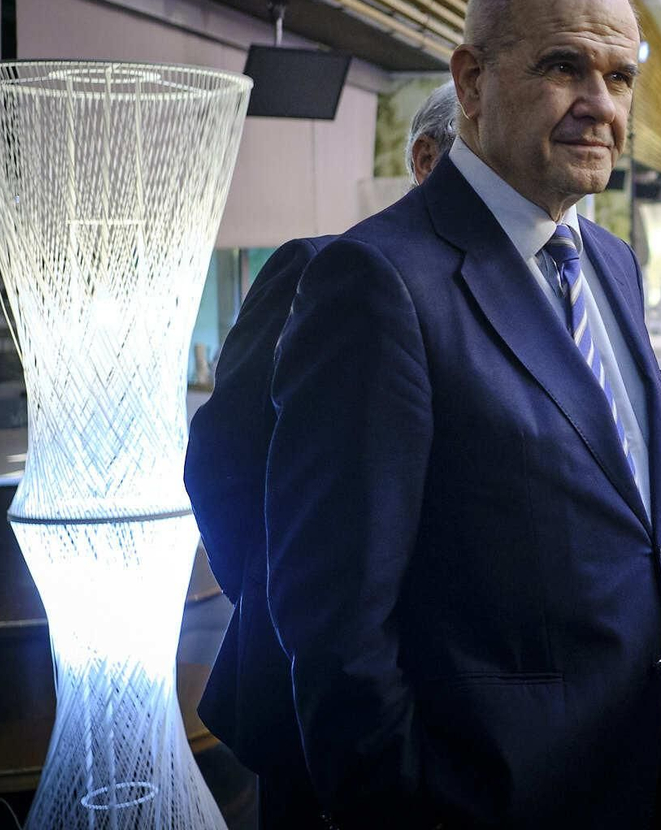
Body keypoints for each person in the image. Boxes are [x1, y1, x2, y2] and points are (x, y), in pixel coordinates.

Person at [264, 0, 661, 828]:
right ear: (471, 81)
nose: (601, 104)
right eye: (565, 67)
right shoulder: (377, 282)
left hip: (647, 761)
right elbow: (336, 625)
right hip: (494, 790)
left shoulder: (610, 261)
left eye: (621, 77)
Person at [185, 83, 457, 826]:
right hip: (317, 687)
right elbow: (221, 462)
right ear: (426, 161)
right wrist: (281, 595)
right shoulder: (318, 268)